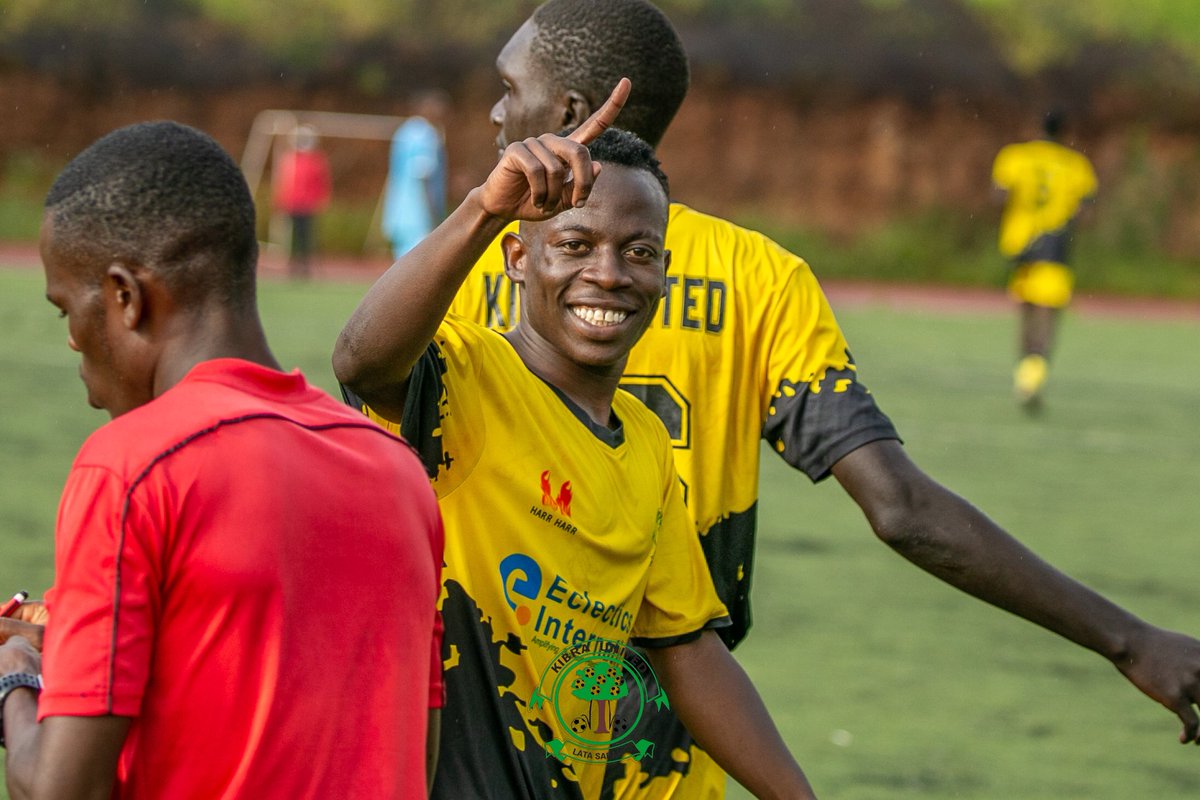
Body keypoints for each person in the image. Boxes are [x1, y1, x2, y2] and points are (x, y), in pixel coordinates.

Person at [447, 0, 1200, 797]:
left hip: (490, 722)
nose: (497, 108)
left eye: (507, 85)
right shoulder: (760, 278)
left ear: (568, 111)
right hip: (667, 751)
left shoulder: (484, 262)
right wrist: (1128, 640)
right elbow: (901, 507)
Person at [334, 83, 819, 800]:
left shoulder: (645, 443)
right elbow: (362, 361)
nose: (609, 273)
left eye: (639, 251)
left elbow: (684, 647)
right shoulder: (469, 375)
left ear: (662, 273)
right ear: (517, 260)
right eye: (574, 244)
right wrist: (483, 208)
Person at [0, 121, 445, 800]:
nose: (70, 343)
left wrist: (16, 679)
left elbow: (65, 787)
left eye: (67, 310)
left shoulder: (131, 465)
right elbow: (415, 749)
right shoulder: (395, 469)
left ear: (126, 296)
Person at [992, 109, 1098, 410]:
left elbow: (998, 195)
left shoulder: (1014, 155)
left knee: (1025, 315)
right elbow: (1085, 209)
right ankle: (1032, 378)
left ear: (1038, 127)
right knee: (1047, 318)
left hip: (1019, 246)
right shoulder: (1076, 164)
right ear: (1066, 131)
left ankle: (1023, 376)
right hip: (1054, 247)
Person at [382, 90, 450, 258]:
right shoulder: (425, 135)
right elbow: (423, 175)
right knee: (418, 265)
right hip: (418, 213)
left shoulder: (404, 131)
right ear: (426, 108)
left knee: (401, 264)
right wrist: (433, 213)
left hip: (398, 208)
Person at [272, 124, 332, 279]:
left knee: (307, 237)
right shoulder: (289, 158)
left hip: (308, 205)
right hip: (292, 203)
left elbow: (321, 182)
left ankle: (306, 266)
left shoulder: (316, 160)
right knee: (293, 236)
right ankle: (293, 266)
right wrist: (281, 200)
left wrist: (321, 199)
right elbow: (283, 182)